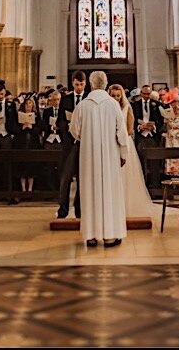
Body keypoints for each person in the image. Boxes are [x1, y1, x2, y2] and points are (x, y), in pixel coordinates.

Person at [71, 71, 129, 247]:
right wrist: (123, 154)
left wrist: (87, 139)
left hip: (88, 158)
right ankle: (110, 235)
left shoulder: (82, 105)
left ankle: (91, 236)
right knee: (109, 193)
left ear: (90, 83)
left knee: (90, 192)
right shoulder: (113, 104)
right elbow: (122, 133)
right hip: (110, 157)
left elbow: (74, 130)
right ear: (106, 83)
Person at [109, 84, 158, 219]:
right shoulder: (107, 108)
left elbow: (130, 129)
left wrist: (120, 133)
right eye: (113, 95)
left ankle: (128, 203)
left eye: (118, 96)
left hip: (124, 141)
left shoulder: (127, 107)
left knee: (126, 174)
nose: (116, 98)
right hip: (110, 143)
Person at [55, 72, 88, 219]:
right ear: (72, 83)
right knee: (65, 178)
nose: (79, 87)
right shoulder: (66, 99)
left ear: (85, 84)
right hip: (69, 143)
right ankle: (63, 208)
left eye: (81, 84)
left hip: (84, 142)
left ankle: (79, 209)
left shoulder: (88, 99)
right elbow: (59, 120)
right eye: (76, 84)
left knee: (82, 178)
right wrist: (67, 127)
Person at [131, 83, 165, 187]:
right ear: (141, 93)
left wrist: (153, 127)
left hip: (152, 136)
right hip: (141, 136)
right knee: (141, 161)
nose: (147, 96)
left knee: (154, 162)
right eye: (145, 94)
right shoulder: (134, 105)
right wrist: (139, 127)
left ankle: (154, 185)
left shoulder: (157, 104)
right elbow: (132, 120)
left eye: (148, 94)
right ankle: (142, 185)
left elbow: (160, 121)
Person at [14, 94, 40, 196]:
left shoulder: (37, 116)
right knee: (22, 167)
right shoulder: (19, 115)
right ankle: (23, 189)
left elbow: (40, 129)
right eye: (26, 104)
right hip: (22, 143)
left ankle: (30, 189)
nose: (28, 105)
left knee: (32, 167)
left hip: (33, 144)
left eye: (30, 103)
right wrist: (22, 127)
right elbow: (15, 129)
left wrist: (32, 127)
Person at [161, 94, 179, 178]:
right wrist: (166, 120)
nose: (174, 104)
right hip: (171, 135)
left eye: (175, 102)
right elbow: (165, 126)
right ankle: (171, 175)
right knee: (171, 156)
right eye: (172, 102)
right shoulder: (167, 111)